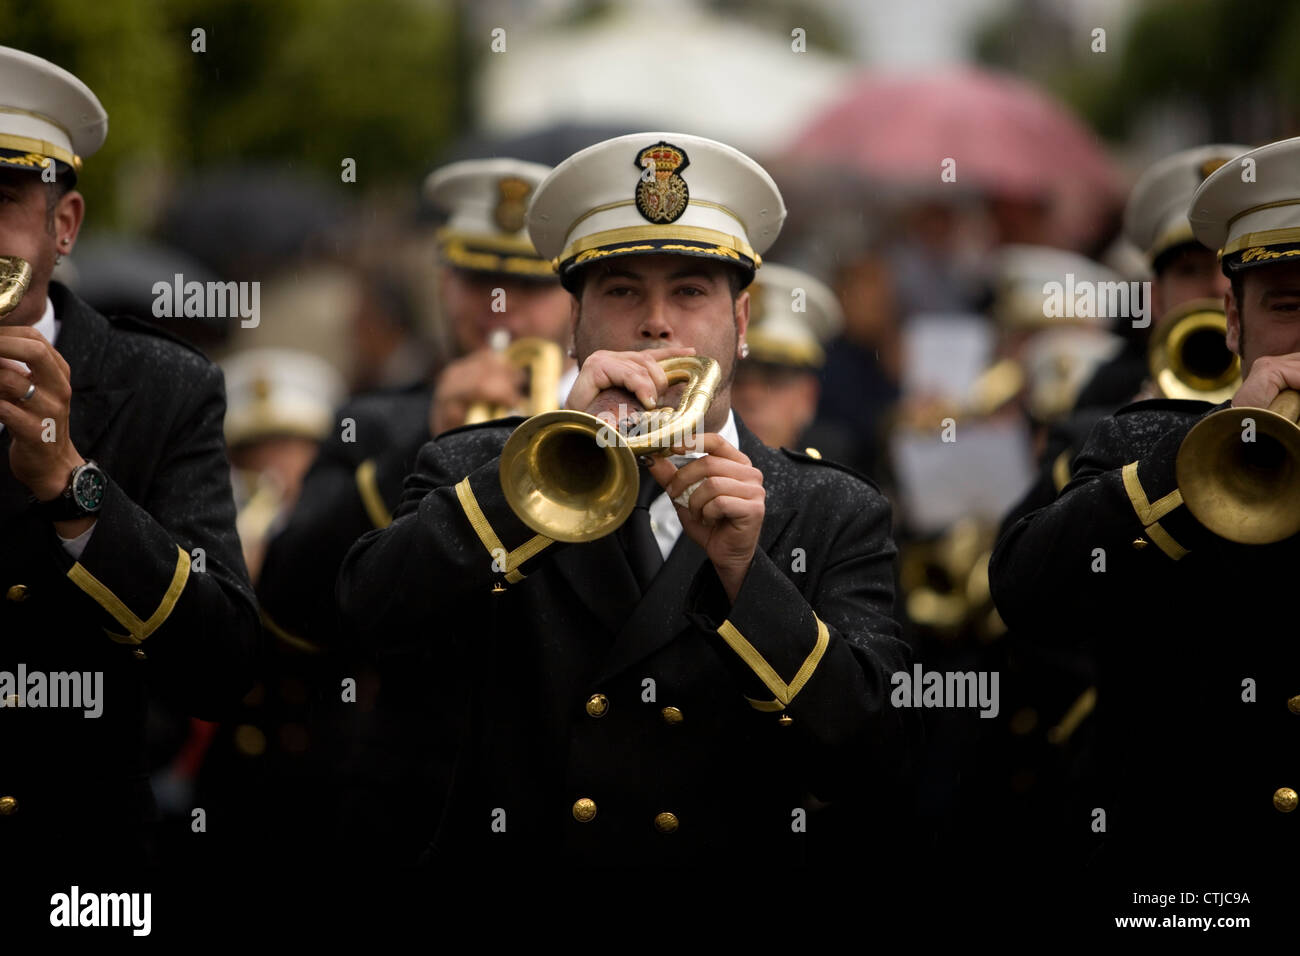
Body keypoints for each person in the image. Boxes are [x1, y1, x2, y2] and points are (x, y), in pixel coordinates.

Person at [337, 132, 914, 866]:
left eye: (690, 292)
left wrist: (748, 577)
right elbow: (367, 615)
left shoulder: (831, 508)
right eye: (621, 291)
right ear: (575, 325)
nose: (656, 322)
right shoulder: (479, 465)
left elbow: (875, 755)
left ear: (741, 326)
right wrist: (543, 470)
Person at [989, 136, 1300, 914]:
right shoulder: (1144, 440)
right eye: (1288, 308)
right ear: (1232, 319)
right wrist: (1210, 453)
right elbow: (1029, 591)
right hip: (1186, 882)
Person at [253, 157, 573, 865]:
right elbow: (288, 604)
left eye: (528, 286)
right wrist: (422, 438)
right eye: (478, 280)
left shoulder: (600, 440)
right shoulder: (371, 426)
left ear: (576, 298)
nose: (501, 310)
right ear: (442, 283)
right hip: (413, 802)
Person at [0, 46, 258, 870]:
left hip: (78, 858)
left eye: (0, 203)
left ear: (62, 225)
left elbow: (222, 668)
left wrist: (76, 491)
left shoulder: (164, 386)